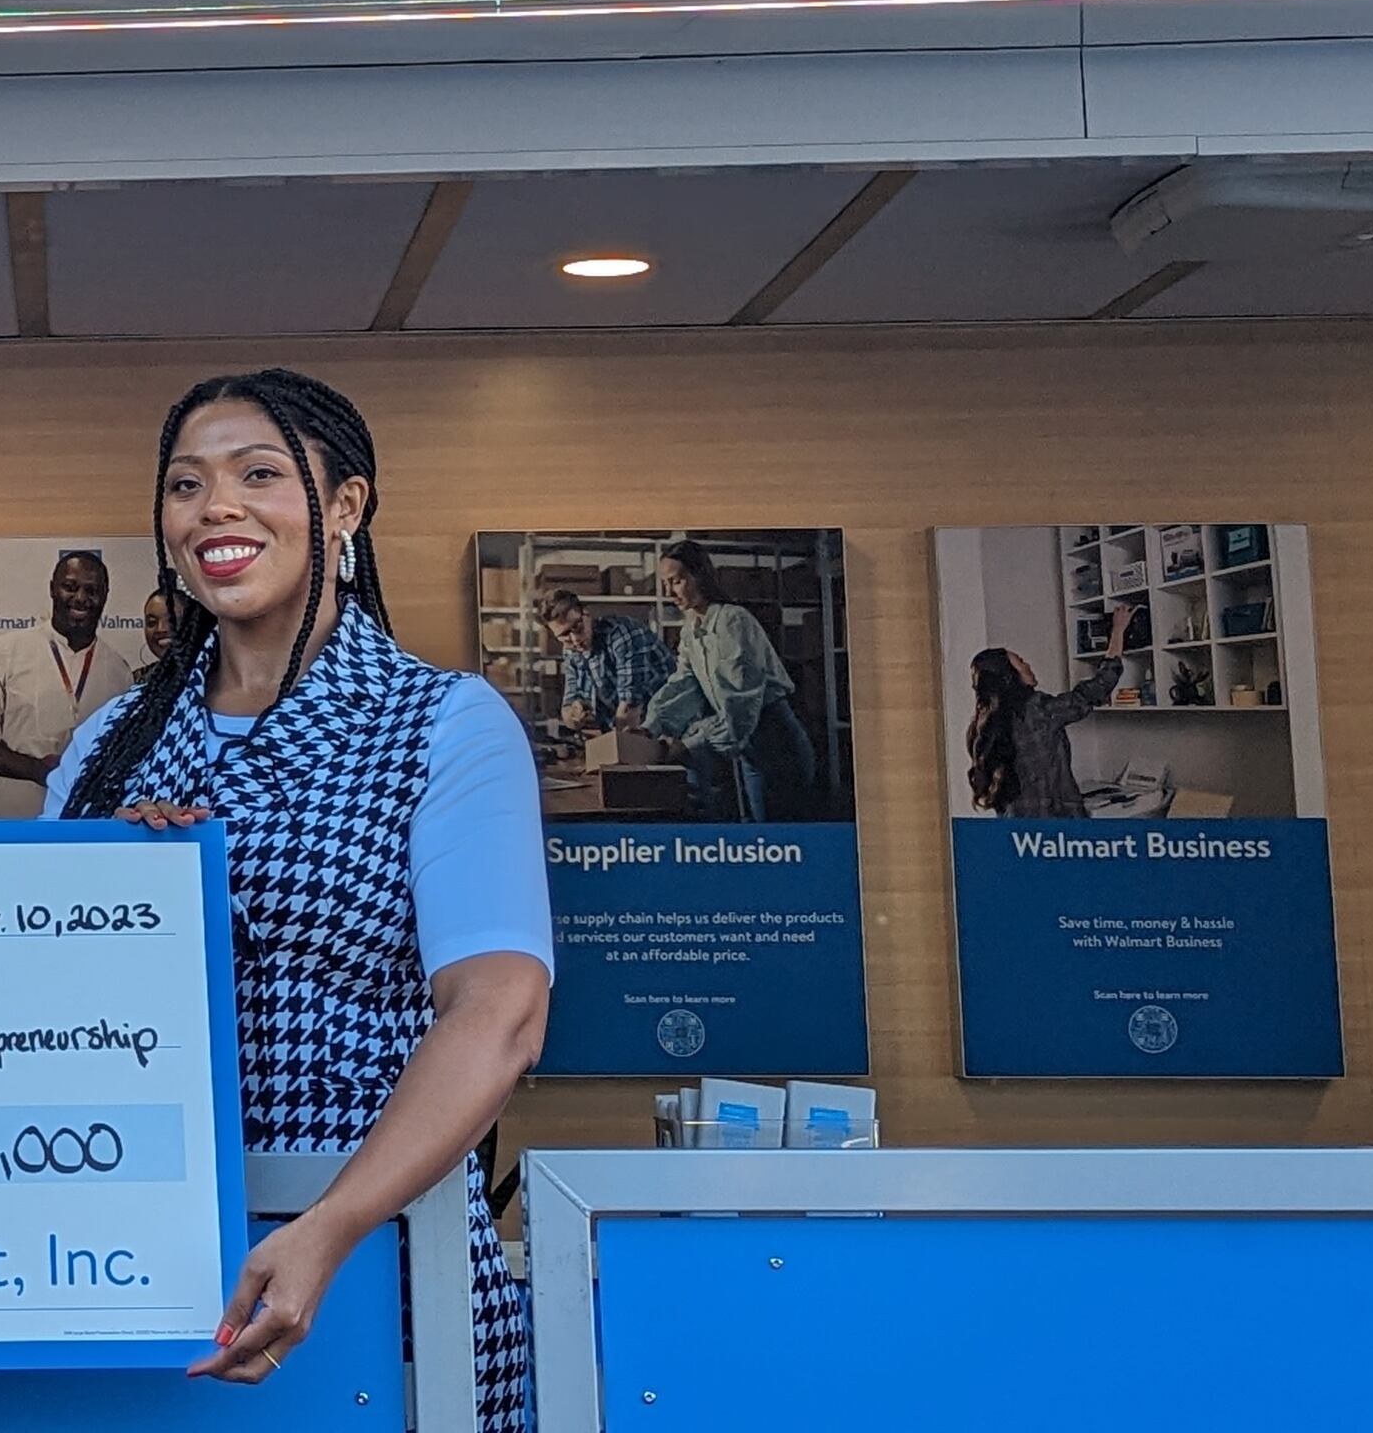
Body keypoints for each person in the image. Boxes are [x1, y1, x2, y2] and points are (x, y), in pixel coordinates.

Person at [44, 370, 549, 1428]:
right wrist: (106, 897)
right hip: (137, 1251)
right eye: (186, 486)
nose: (215, 508)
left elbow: (498, 1016)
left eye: (258, 475)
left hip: (379, 1248)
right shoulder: (111, 745)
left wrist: (329, 1225)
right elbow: (33, 1010)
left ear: (347, 506)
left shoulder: (442, 725)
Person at [639, 540, 819, 822]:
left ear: (698, 576)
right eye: (665, 583)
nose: (668, 592)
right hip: (747, 744)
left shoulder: (732, 621)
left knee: (774, 837)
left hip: (775, 740)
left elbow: (740, 701)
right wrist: (651, 727)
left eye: (675, 582)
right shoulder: (692, 627)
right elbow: (685, 683)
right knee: (757, 830)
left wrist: (688, 745)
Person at [0, 549, 137, 817]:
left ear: (105, 596)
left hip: (92, 821)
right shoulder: (4, 653)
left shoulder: (119, 671)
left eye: (92, 590)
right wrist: (40, 771)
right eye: (70, 587)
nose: (80, 598)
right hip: (20, 817)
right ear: (53, 589)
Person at [964, 605, 1136, 819]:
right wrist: (1118, 631)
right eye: (1021, 662)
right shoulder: (1036, 710)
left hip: (1017, 830)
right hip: (1056, 829)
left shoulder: (981, 726)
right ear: (1009, 677)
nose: (1028, 666)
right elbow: (1094, 690)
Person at [539, 586, 673, 733]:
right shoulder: (571, 652)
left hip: (669, 725)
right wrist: (575, 715)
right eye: (564, 635)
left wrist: (617, 749)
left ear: (587, 615)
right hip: (631, 729)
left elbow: (630, 707)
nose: (575, 639)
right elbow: (567, 709)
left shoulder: (621, 635)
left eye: (577, 626)